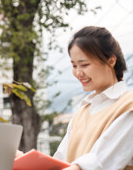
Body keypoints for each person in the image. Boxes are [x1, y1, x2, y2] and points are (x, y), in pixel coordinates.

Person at [53, 26, 133, 170]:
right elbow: (59, 161)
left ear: (111, 61)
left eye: (84, 64)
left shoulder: (129, 106)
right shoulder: (82, 112)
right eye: (74, 65)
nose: (78, 73)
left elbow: (100, 162)